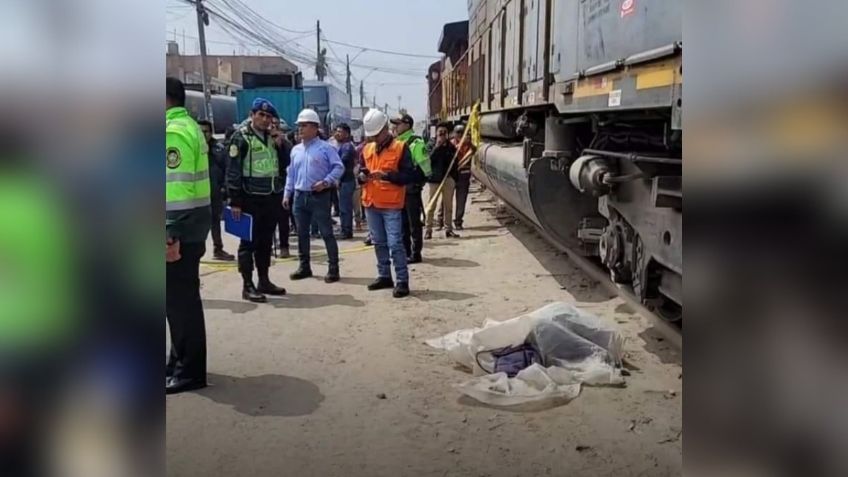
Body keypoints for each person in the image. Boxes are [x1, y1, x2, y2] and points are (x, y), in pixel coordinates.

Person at [165, 77, 211, 394]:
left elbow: (176, 189)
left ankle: (190, 370)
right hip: (189, 226)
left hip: (180, 230)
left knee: (181, 303)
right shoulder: (188, 126)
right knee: (178, 301)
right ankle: (179, 359)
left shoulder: (173, 132)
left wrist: (170, 233)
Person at [226, 98, 288, 303]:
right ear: (252, 115)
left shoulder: (273, 138)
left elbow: (286, 163)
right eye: (260, 115)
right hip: (249, 198)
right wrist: (235, 200)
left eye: (268, 116)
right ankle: (247, 285)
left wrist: (282, 143)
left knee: (265, 242)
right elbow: (233, 171)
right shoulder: (241, 138)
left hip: (270, 197)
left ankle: (264, 280)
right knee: (248, 243)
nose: (264, 119)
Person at [358, 109, 416, 298]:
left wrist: (386, 176)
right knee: (378, 242)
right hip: (371, 203)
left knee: (395, 243)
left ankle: (402, 280)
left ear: (385, 129)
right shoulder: (367, 149)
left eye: (376, 135)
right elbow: (360, 170)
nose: (373, 139)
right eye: (371, 136)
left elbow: (409, 176)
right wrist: (361, 177)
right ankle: (384, 275)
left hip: (391, 205)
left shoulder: (400, 148)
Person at [284, 108, 344, 282]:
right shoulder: (295, 150)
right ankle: (304, 266)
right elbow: (291, 173)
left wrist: (326, 182)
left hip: (319, 196)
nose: (300, 129)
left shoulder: (326, 148)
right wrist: (287, 194)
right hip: (299, 196)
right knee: (302, 233)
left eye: (304, 125)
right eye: (299, 126)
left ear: (315, 127)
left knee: (326, 232)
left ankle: (333, 268)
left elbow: (338, 167)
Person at [390, 113, 431, 263]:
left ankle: (415, 253)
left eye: (398, 124)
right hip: (399, 188)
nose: (395, 127)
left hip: (411, 189)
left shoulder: (416, 143)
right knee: (402, 223)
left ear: (407, 125)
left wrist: (417, 184)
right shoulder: (396, 143)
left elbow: (426, 168)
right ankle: (405, 251)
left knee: (414, 223)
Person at [197, 120, 235, 261]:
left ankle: (218, 249)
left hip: (214, 192)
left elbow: (227, 169)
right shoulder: (192, 147)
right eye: (200, 131)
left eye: (206, 131)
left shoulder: (219, 149)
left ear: (211, 132)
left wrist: (226, 189)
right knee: (197, 224)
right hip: (197, 194)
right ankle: (195, 252)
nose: (203, 134)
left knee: (215, 221)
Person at [425, 122, 459, 239]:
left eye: (445, 132)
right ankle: (428, 230)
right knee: (431, 205)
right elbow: (429, 159)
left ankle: (448, 229)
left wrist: (453, 178)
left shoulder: (450, 147)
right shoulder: (431, 144)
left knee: (448, 206)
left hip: (448, 180)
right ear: (436, 132)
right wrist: (438, 146)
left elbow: (455, 162)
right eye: (440, 132)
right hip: (434, 180)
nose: (443, 134)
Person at [270, 117, 294, 258]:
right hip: (266, 186)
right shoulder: (262, 142)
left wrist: (279, 146)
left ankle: (284, 246)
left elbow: (289, 164)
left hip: (281, 185)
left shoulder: (286, 144)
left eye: (276, 126)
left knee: (283, 218)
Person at [451, 124, 477, 230]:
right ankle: (442, 220)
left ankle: (458, 221)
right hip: (452, 176)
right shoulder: (451, 144)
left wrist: (469, 143)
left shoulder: (468, 145)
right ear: (454, 134)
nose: (460, 135)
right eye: (458, 133)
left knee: (461, 200)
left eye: (462, 133)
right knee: (446, 200)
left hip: (464, 176)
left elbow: (474, 150)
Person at [334, 123, 357, 239]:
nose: (337, 134)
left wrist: (337, 178)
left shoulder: (347, 147)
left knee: (345, 208)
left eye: (340, 131)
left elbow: (341, 164)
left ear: (346, 134)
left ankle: (347, 231)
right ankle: (344, 229)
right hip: (344, 181)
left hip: (347, 181)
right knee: (343, 207)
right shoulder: (342, 146)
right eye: (337, 131)